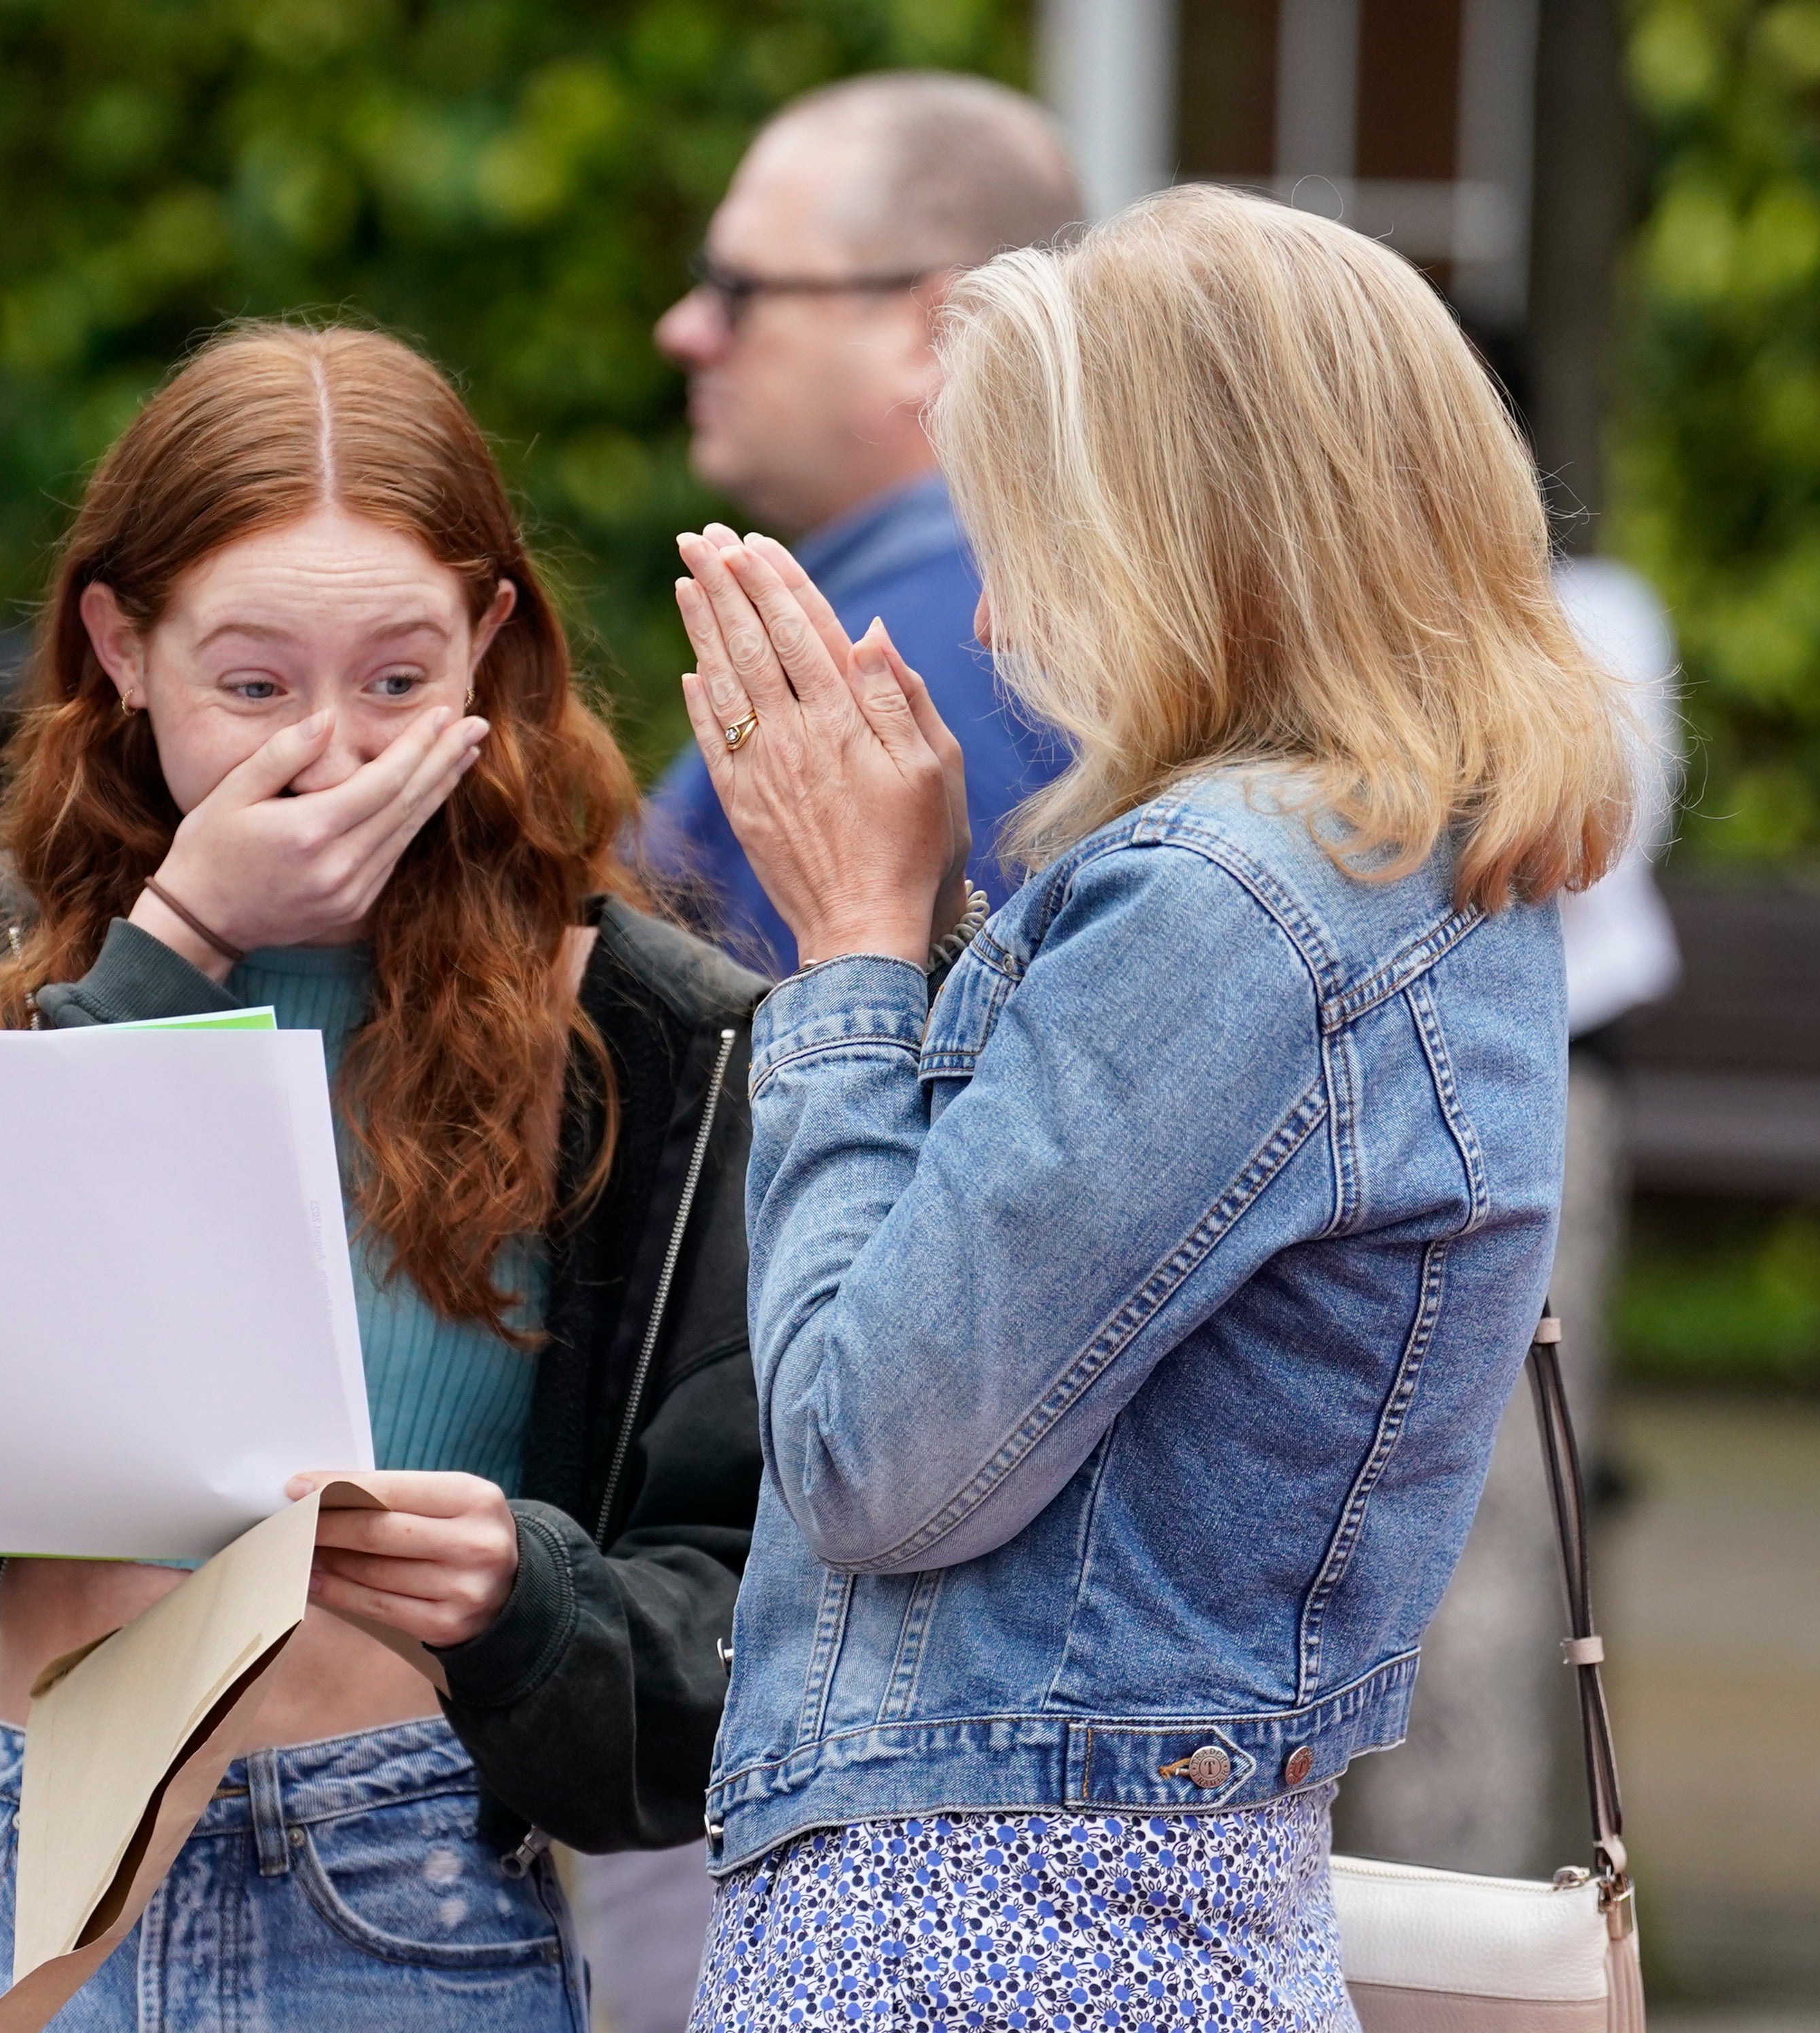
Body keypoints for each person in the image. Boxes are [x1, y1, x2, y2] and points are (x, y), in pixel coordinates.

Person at [666, 184, 1635, 2027]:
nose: (997, 595)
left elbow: (873, 1451)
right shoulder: (1421, 859)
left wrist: (857, 950)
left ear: (1179, 530)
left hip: (988, 1930)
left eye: (1026, 514)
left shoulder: (1233, 896)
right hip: (1167, 1904)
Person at [0, 325, 764, 2033]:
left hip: (401, 1874)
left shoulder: (645, 1028)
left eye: (399, 683)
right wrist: (179, 940)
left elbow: (731, 1600)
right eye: (254, 687)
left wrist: (518, 1588)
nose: (328, 757)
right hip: (25, 1858)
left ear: (489, 644)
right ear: (122, 643)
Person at [1333, 554, 1685, 1878]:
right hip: (1384, 1081)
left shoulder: (1583, 615)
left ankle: (1451, 1934)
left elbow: (1568, 849)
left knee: (1484, 1540)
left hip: (1526, 1080)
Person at [640, 70, 1083, 975]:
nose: (684, 331)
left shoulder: (924, 653)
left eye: (738, 288)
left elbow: (774, 1087)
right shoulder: (1061, 610)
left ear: (933, 329)